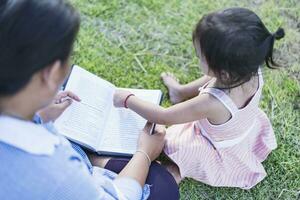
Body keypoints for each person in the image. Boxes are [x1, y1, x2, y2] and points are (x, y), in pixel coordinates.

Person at [0, 0, 179, 199]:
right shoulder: (59, 172)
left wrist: (40, 116)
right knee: (164, 188)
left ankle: (96, 158)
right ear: (49, 73)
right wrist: (144, 154)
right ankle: (96, 159)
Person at [113, 7, 285, 189]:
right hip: (242, 132)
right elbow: (213, 78)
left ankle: (176, 171)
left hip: (213, 148)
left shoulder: (213, 103)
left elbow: (164, 116)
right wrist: (183, 90)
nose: (197, 59)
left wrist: (127, 99)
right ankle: (179, 92)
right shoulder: (248, 70)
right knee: (194, 92)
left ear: (224, 73)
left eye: (199, 56)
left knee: (175, 144)